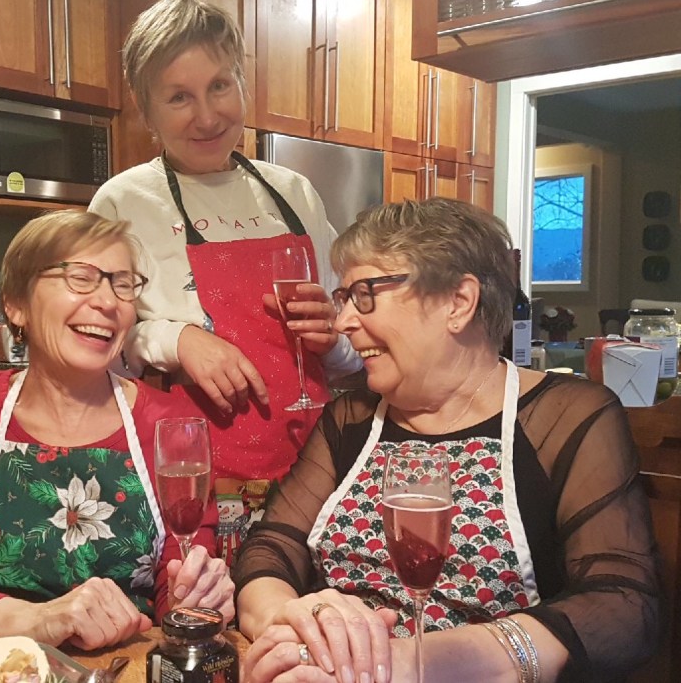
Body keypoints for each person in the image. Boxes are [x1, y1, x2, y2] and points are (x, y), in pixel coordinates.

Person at [234, 198, 661, 682]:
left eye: (365, 294)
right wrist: (297, 628)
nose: (344, 322)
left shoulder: (566, 417)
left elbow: (623, 605)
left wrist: (407, 663)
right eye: (343, 298)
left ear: (458, 302)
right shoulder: (350, 418)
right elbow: (271, 547)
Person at [0, 210, 234, 649]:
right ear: (16, 304)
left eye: (122, 283)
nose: (108, 301)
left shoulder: (167, 423)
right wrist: (35, 621)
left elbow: (179, 582)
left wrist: (194, 596)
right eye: (81, 278)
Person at [89, 0, 361, 562]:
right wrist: (178, 340)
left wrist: (333, 341)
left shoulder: (295, 193)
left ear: (242, 83)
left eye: (219, 86)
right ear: (146, 110)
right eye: (179, 97)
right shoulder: (123, 202)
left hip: (313, 474)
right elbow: (98, 347)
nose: (208, 116)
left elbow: (353, 351)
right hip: (191, 481)